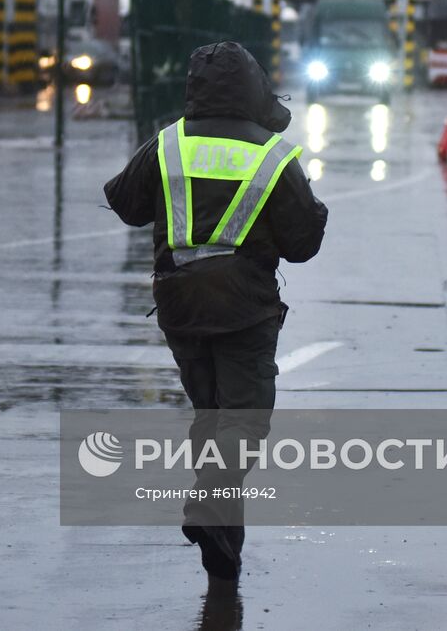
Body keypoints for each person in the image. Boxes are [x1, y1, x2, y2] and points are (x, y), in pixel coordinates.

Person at [103, 41, 328, 583]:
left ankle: (223, 550)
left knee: (213, 416)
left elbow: (125, 202)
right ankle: (209, 507)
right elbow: (302, 243)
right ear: (253, 88)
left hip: (178, 304)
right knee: (246, 419)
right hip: (244, 309)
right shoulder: (271, 155)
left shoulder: (168, 144)